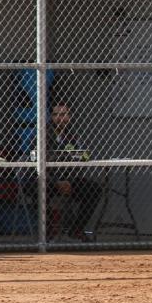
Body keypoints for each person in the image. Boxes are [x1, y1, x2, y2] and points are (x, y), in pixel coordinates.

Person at [44, 101, 99, 240]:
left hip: (69, 180)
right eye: (55, 114)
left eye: (63, 114)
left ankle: (76, 229)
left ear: (69, 116)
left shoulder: (73, 134)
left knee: (94, 189)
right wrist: (57, 182)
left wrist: (70, 181)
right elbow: (39, 161)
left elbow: (82, 157)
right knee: (37, 188)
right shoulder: (43, 133)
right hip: (48, 180)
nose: (59, 118)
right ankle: (47, 231)